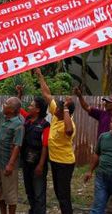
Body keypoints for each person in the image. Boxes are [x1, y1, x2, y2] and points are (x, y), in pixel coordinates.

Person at [35, 68, 76, 214]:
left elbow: (69, 131)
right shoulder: (56, 115)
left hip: (64, 163)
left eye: (57, 108)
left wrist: (65, 109)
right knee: (59, 193)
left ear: (65, 111)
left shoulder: (69, 123)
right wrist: (40, 76)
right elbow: (46, 94)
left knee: (63, 195)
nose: (54, 109)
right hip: (55, 161)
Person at [0, 82, 24, 214]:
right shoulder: (3, 117)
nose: (3, 104)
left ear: (12, 110)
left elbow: (17, 146)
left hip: (8, 165)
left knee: (10, 195)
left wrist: (11, 164)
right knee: (0, 193)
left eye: (6, 104)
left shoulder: (18, 124)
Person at [20, 95, 50, 214]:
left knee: (39, 193)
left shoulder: (45, 125)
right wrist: (19, 95)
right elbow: (18, 108)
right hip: (26, 162)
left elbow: (45, 146)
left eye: (31, 105)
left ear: (37, 109)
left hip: (38, 163)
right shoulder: (28, 119)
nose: (28, 107)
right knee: (29, 190)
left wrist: (41, 165)